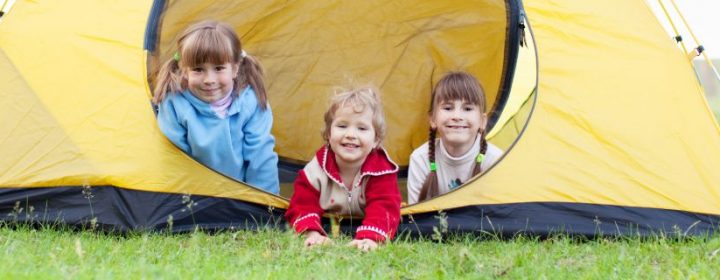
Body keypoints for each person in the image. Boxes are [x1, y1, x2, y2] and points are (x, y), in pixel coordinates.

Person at [153, 20, 279, 194]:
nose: (209, 79)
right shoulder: (174, 104)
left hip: (240, 194)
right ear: (184, 71)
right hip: (191, 194)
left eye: (219, 68)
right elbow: (172, 160)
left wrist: (265, 205)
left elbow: (260, 157)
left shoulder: (250, 101)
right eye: (198, 69)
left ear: (235, 69)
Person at [285, 87, 401, 251]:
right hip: (328, 222)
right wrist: (312, 233)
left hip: (366, 225)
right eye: (342, 126)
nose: (351, 134)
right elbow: (302, 203)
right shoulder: (317, 168)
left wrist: (370, 238)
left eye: (361, 128)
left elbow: (385, 208)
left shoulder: (381, 171)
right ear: (328, 134)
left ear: (376, 140)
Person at [407, 71, 503, 204]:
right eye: (448, 108)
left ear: (482, 121)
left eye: (467, 109)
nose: (457, 116)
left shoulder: (495, 161)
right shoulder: (420, 159)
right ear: (433, 119)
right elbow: (415, 219)